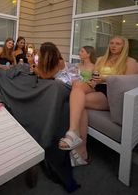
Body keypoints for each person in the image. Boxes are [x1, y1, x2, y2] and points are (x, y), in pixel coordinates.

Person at [58, 36, 138, 167]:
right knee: (77, 86)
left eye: (118, 44)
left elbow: (126, 83)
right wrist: (91, 81)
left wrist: (105, 78)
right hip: (96, 88)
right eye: (111, 43)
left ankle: (80, 148)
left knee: (79, 102)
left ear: (125, 46)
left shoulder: (130, 62)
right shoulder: (101, 59)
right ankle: (74, 133)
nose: (114, 46)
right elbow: (94, 78)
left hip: (111, 95)